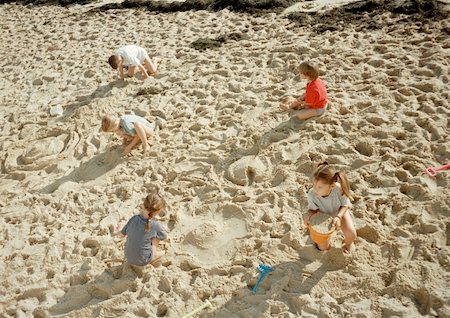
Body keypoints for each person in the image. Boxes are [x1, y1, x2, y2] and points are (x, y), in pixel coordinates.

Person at [303, 162, 357, 253]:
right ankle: (318, 242)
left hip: (339, 213)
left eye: (320, 187)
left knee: (351, 233)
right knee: (323, 248)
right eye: (314, 185)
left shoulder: (338, 189)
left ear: (332, 186)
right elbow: (312, 210)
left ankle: (348, 244)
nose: (315, 189)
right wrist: (307, 215)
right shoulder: (312, 194)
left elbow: (345, 205)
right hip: (323, 217)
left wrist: (338, 217)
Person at [116, 193, 167, 266]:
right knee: (156, 238)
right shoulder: (156, 225)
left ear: (143, 205)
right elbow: (164, 237)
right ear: (158, 211)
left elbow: (121, 234)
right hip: (143, 260)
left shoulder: (134, 218)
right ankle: (156, 255)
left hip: (128, 256)